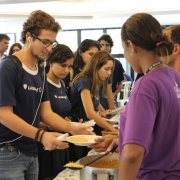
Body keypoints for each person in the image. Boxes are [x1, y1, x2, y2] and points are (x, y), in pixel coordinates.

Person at [0, 10, 93, 180]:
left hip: (32, 150)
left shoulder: (40, 71)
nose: (48, 48)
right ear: (29, 36)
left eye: (52, 43)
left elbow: (46, 113)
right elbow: (4, 114)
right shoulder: (9, 67)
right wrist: (41, 135)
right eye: (44, 42)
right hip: (8, 152)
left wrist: (73, 128)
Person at [111, 13, 179, 180]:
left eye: (124, 49)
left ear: (131, 45)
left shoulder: (146, 85)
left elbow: (133, 153)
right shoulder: (174, 76)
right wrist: (122, 139)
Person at [68, 50, 118, 161]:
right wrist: (113, 130)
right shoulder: (84, 80)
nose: (109, 73)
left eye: (110, 69)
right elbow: (90, 113)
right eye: (107, 69)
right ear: (96, 67)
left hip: (85, 128)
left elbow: (95, 103)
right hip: (76, 128)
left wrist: (104, 112)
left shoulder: (93, 81)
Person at [38, 44, 74, 180]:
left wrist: (69, 122)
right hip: (46, 143)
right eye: (63, 65)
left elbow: (60, 112)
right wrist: (48, 126)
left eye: (69, 66)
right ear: (51, 62)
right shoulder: (42, 84)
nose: (66, 70)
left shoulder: (62, 84)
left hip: (62, 141)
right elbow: (33, 118)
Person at [98, 34, 124, 107]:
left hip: (110, 97)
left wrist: (113, 94)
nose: (104, 48)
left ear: (110, 47)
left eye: (107, 45)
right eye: (102, 45)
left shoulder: (117, 64)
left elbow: (120, 84)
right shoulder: (95, 64)